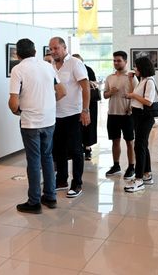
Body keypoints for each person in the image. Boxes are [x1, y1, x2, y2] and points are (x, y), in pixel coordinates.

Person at [8, 39, 66, 214]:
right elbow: (62, 92)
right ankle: (50, 196)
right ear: (35, 52)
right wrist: (47, 105)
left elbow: (13, 102)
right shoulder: (48, 66)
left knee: (33, 160)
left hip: (30, 122)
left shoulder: (18, 69)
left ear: (18, 54)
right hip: (49, 120)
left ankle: (34, 202)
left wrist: (17, 110)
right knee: (47, 158)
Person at [49, 37, 90, 198]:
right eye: (51, 49)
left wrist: (85, 110)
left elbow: (85, 87)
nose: (53, 51)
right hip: (55, 114)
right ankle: (61, 180)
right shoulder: (50, 66)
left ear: (64, 47)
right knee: (59, 149)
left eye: (56, 48)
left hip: (73, 114)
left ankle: (77, 182)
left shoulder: (75, 63)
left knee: (75, 149)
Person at [124, 56, 158, 192]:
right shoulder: (143, 80)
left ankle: (138, 179)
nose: (135, 69)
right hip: (139, 116)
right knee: (143, 145)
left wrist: (132, 96)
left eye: (136, 67)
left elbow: (148, 101)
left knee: (139, 147)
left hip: (144, 116)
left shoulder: (149, 81)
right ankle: (147, 174)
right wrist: (132, 79)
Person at [103, 51, 138, 179]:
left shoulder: (131, 77)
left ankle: (131, 166)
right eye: (114, 60)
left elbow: (136, 95)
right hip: (112, 113)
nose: (116, 63)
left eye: (119, 60)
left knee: (129, 142)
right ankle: (116, 165)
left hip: (127, 115)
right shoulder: (109, 77)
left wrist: (130, 108)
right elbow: (105, 95)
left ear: (125, 62)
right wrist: (111, 92)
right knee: (115, 141)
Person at [72, 54, 100, 161]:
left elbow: (93, 84)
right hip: (76, 103)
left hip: (89, 104)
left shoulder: (88, 70)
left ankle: (88, 148)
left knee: (89, 126)